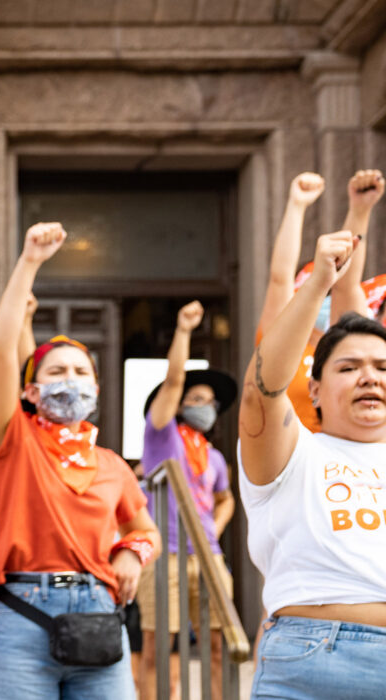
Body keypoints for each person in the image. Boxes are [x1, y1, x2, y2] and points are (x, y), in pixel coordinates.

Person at [0, 222, 161, 700]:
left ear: (95, 389)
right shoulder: (15, 439)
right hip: (21, 614)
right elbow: (0, 351)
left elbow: (146, 532)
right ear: (31, 391)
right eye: (56, 371)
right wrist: (29, 262)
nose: (70, 378)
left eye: (81, 371)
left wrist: (131, 553)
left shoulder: (113, 465)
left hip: (99, 615)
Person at [238, 229, 386, 699]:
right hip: (317, 661)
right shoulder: (293, 452)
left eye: (383, 367)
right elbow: (261, 392)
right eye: (349, 367)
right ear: (315, 389)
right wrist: (319, 283)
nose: (369, 377)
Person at [134, 301, 237, 700]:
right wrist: (183, 331)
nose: (205, 406)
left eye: (211, 401)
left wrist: (214, 528)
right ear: (178, 404)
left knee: (219, 646)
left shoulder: (213, 456)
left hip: (208, 556)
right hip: (166, 556)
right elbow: (174, 379)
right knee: (159, 649)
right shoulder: (162, 437)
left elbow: (226, 499)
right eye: (196, 398)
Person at [257, 171, 383, 432]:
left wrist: (360, 210)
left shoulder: (349, 346)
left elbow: (346, 283)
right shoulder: (280, 343)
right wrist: (296, 205)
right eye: (315, 290)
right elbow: (280, 278)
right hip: (290, 449)